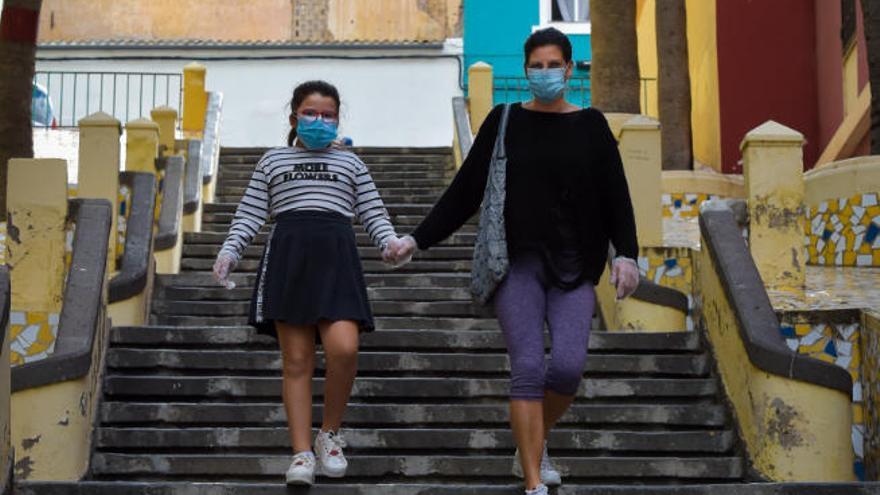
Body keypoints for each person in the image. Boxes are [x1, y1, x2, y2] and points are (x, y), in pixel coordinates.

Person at [390, 28, 640, 495]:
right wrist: (417, 240)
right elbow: (465, 191)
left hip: (575, 267)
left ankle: (533, 438)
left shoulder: (592, 126)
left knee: (566, 368)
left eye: (553, 65)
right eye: (536, 66)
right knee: (527, 366)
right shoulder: (504, 120)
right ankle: (532, 480)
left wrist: (626, 254)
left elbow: (616, 198)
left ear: (569, 69)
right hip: (516, 264)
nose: (544, 73)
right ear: (526, 70)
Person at [212, 80, 403, 485]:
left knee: (344, 348)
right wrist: (230, 251)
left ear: (338, 119)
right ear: (294, 117)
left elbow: (373, 212)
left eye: (328, 115)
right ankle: (300, 454)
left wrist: (390, 243)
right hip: (289, 260)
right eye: (310, 113)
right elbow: (249, 213)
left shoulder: (352, 163)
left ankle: (329, 434)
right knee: (296, 363)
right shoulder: (272, 161)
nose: (319, 120)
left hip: (337, 261)